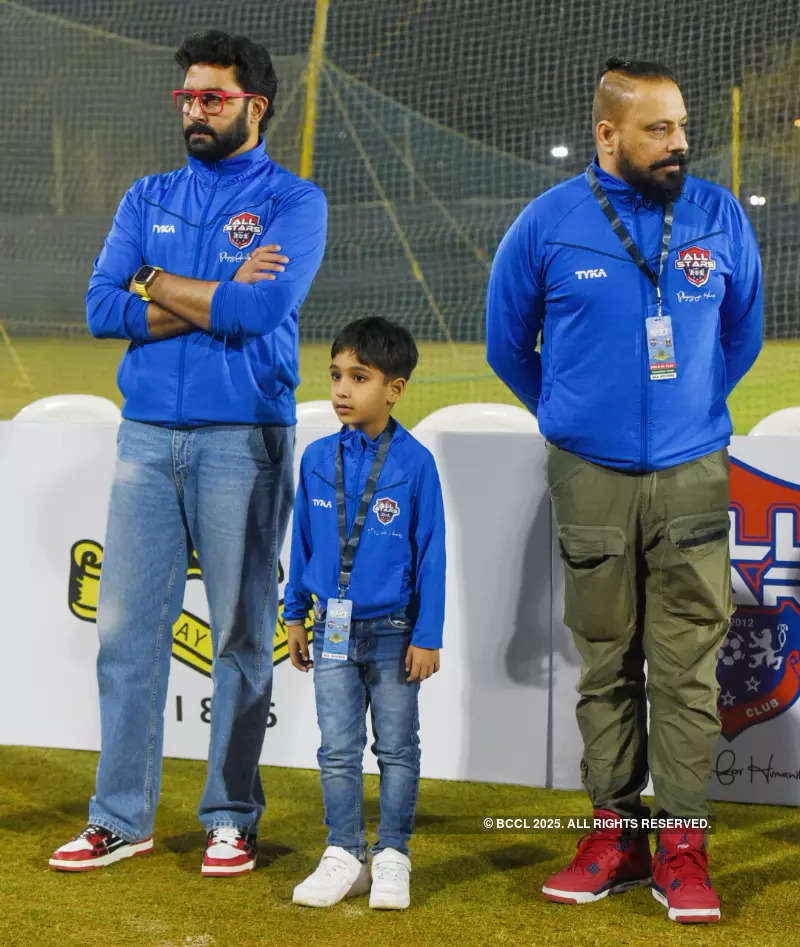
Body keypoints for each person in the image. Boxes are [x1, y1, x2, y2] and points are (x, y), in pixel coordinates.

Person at [486, 58, 762, 924]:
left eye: (682, 126)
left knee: (686, 671)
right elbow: (507, 345)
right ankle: (615, 832)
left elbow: (740, 336)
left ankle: (682, 844)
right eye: (658, 128)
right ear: (607, 135)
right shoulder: (547, 223)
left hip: (693, 473)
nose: (679, 142)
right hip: (589, 477)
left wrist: (685, 421)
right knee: (606, 664)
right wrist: (575, 424)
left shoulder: (716, 216)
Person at [49, 29, 327, 875]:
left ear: (255, 105)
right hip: (144, 440)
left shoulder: (294, 201)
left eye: (213, 97)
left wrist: (155, 280)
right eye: (188, 97)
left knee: (244, 633)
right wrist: (204, 289)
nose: (195, 110)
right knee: (127, 633)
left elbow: (258, 311)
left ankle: (231, 816)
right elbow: (102, 308)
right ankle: (119, 816)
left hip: (244, 436)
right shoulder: (147, 194)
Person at [283, 317, 445, 910]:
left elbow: (432, 555)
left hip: (394, 632)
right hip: (328, 630)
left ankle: (393, 854)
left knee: (398, 747)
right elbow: (301, 541)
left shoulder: (415, 464)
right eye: (335, 376)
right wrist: (295, 613)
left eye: (359, 377)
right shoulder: (318, 458)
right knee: (336, 748)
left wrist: (427, 635)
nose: (342, 390)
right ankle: (344, 853)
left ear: (395, 389)